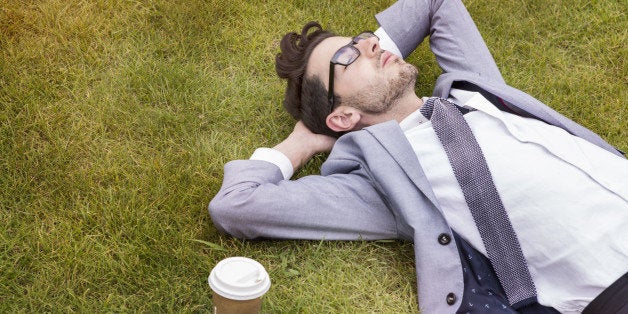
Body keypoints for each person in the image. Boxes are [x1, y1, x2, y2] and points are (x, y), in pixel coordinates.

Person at [209, 0, 628, 313]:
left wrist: (376, 55)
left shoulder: (471, 89)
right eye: (347, 56)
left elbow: (437, 4)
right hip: (610, 283)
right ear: (343, 116)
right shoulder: (384, 181)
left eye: (364, 40)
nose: (369, 43)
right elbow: (237, 204)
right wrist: (303, 140)